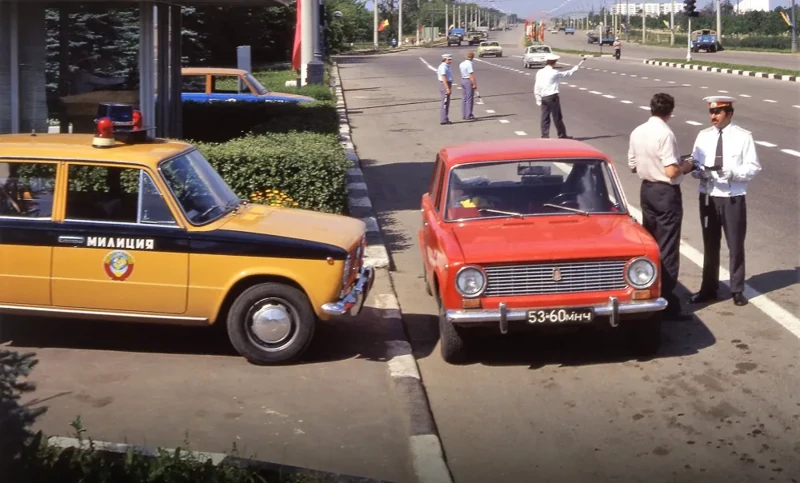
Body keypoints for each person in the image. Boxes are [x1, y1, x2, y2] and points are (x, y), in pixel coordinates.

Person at [688, 96, 762, 307]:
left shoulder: (743, 136)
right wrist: (700, 172)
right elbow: (694, 163)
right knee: (710, 245)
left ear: (729, 114)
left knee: (735, 245)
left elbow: (753, 166)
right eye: (711, 112)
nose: (713, 116)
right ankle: (708, 288)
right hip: (709, 196)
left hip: (732, 198)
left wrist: (732, 173)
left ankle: (737, 289)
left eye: (718, 112)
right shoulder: (703, 136)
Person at [628, 93, 695, 319]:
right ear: (670, 112)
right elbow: (671, 171)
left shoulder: (637, 131)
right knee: (667, 247)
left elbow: (632, 165)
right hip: (665, 193)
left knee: (652, 245)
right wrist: (687, 165)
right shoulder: (666, 134)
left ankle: (650, 289)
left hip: (646, 190)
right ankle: (666, 300)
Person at [533, 53, 584, 139]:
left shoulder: (540, 72)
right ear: (554, 63)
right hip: (552, 97)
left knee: (545, 117)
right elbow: (566, 74)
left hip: (543, 97)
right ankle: (562, 135)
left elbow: (536, 86)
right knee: (557, 117)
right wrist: (574, 69)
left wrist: (538, 98)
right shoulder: (554, 72)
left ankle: (545, 135)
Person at [459, 51, 478, 121]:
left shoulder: (461, 64)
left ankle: (464, 114)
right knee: (469, 98)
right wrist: (474, 84)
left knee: (464, 98)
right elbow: (471, 75)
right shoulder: (470, 64)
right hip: (468, 81)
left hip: (463, 79)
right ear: (472, 57)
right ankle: (468, 114)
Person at [438, 54, 454, 125]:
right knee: (445, 103)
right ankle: (443, 119)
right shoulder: (443, 67)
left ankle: (445, 118)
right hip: (445, 84)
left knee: (446, 103)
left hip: (447, 84)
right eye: (449, 59)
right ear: (445, 59)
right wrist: (447, 88)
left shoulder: (446, 66)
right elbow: (444, 77)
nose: (450, 61)